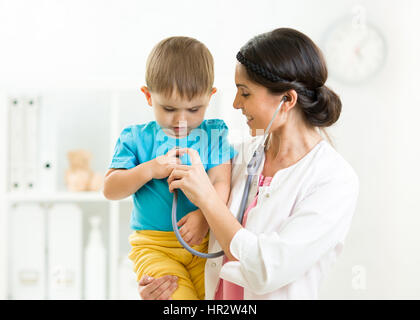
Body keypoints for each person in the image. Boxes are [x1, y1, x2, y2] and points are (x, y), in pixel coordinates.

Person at [138, 27, 359, 300]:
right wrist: (164, 282)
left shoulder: (333, 180)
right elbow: (203, 251)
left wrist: (207, 198)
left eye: (245, 93)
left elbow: (267, 271)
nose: (234, 103)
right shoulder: (237, 157)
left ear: (287, 99)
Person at [103, 36, 237, 300]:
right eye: (169, 108)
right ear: (148, 96)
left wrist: (202, 216)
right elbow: (110, 189)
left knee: (214, 298)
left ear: (210, 97)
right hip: (154, 247)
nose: (181, 120)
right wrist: (149, 170)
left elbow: (222, 182)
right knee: (178, 299)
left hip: (203, 242)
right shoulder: (135, 138)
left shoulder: (215, 134)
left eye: (194, 108)